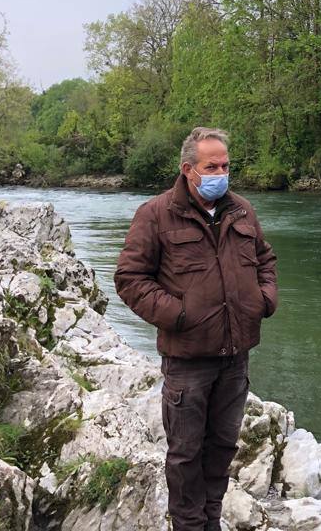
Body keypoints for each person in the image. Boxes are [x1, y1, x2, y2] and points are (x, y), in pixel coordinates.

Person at [114, 127, 277, 531]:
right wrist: (179, 315)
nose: (221, 172)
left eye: (225, 165)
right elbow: (130, 278)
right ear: (189, 169)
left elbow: (266, 259)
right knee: (185, 455)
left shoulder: (241, 210)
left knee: (222, 448)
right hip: (187, 362)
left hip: (235, 357)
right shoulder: (155, 214)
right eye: (212, 166)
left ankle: (212, 521)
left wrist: (264, 300)